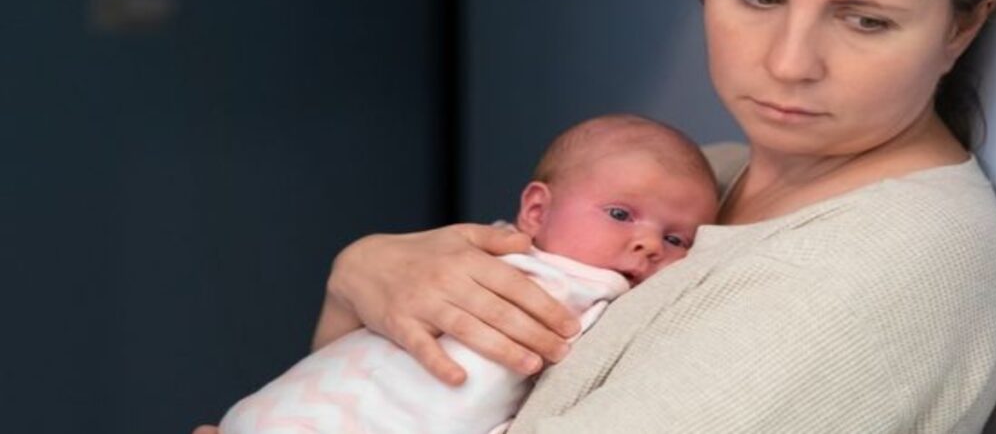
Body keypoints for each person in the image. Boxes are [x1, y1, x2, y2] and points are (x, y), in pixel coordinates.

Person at [196, 0, 996, 434]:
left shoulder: (877, 273)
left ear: (963, 23)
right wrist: (359, 279)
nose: (788, 62)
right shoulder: (708, 176)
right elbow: (400, 398)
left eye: (864, 19)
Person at [216, 115, 719, 434]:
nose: (649, 244)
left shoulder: (619, 305)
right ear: (537, 212)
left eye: (676, 240)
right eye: (620, 214)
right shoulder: (480, 254)